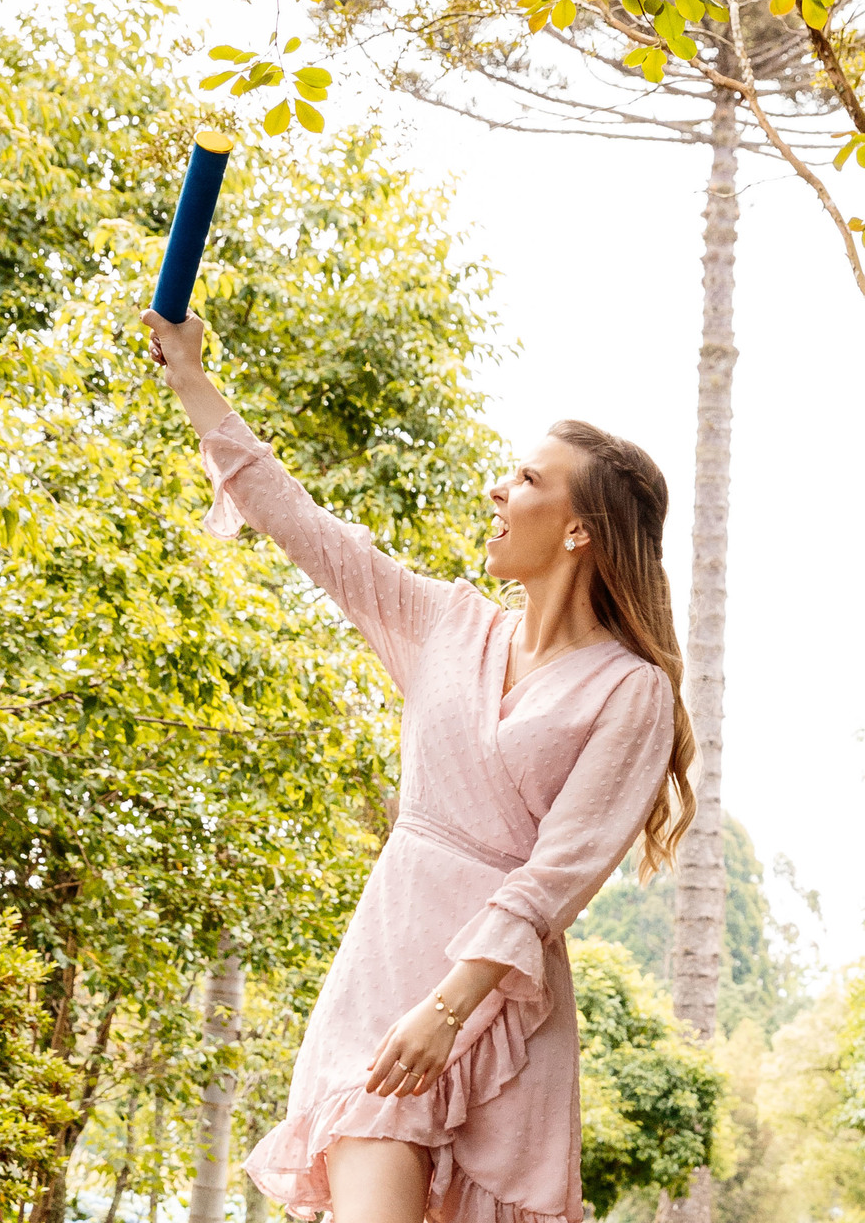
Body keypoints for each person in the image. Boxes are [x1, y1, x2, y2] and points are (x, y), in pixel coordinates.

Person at [142, 307, 696, 1223]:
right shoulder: (447, 624)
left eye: (524, 478)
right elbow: (303, 525)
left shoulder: (630, 694)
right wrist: (191, 377)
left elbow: (552, 879)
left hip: (495, 1008)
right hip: (384, 972)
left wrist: (447, 1012)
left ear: (578, 530)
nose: (496, 491)